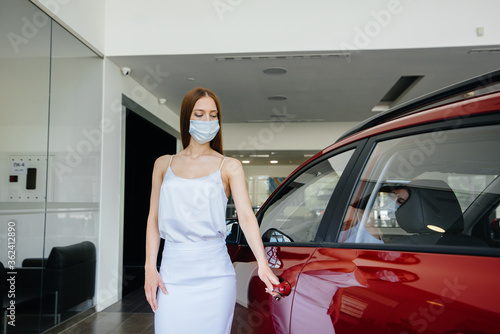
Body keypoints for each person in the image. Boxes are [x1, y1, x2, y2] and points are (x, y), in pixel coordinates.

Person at [144, 87, 280, 333]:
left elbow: (247, 217)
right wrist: (149, 268)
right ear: (187, 119)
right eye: (199, 114)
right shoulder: (164, 164)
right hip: (173, 273)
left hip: (215, 275)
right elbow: (153, 219)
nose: (207, 121)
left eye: (212, 115)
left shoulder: (229, 167)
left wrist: (262, 263)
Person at [339, 185, 410, 243]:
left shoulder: (379, 232)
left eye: (399, 201)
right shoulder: (352, 213)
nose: (393, 201)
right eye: (391, 196)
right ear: (379, 194)